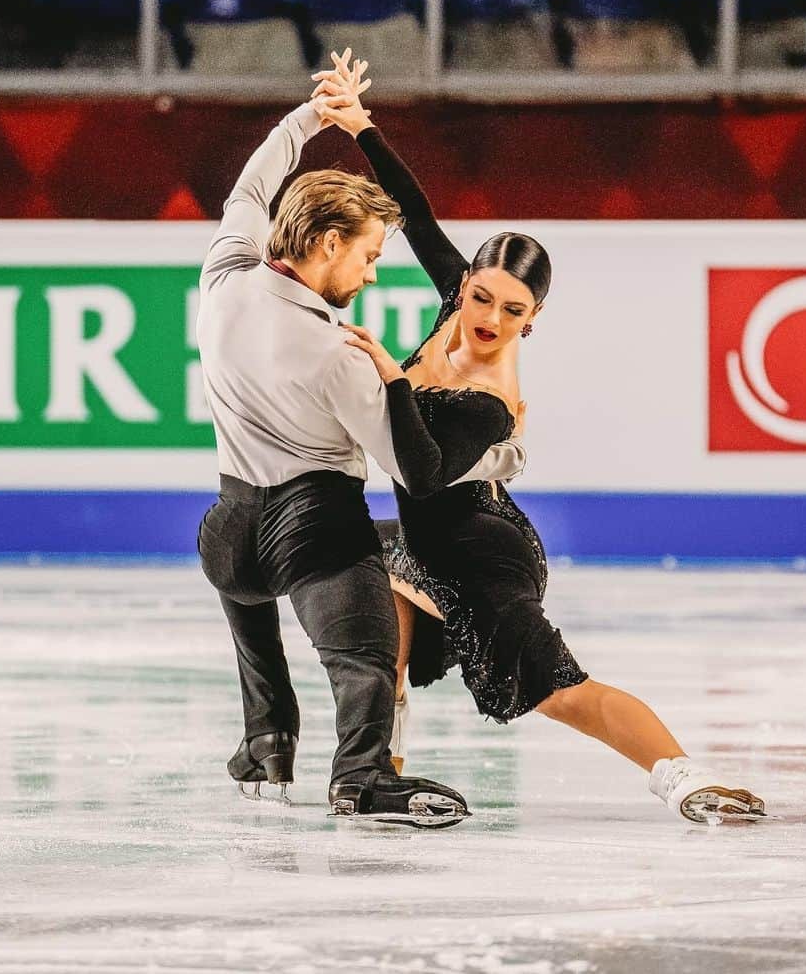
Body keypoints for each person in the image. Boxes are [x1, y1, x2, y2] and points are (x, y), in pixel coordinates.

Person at [311, 61, 767, 825]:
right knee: (377, 629)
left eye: (510, 310)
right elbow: (417, 217)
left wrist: (392, 379)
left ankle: (684, 778)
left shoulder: (491, 401)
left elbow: (422, 476)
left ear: (533, 320)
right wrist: (361, 128)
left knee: (561, 693)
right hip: (424, 544)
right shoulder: (460, 305)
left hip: (481, 555)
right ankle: (377, 772)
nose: (487, 317)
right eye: (480, 295)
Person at [195, 52, 528, 827]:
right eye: (370, 255)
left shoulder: (224, 274)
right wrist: (497, 442)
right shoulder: (338, 353)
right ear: (326, 243)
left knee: (258, 615)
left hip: (227, 535)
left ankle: (266, 741)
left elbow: (252, 184)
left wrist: (313, 116)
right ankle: (363, 777)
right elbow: (417, 469)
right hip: (309, 532)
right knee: (366, 657)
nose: (374, 274)